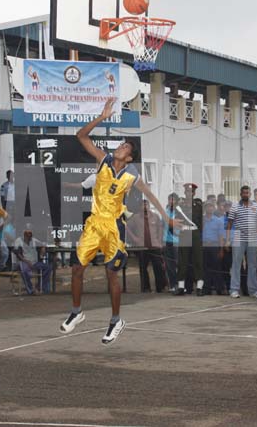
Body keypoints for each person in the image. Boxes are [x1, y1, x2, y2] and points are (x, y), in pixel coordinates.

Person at [59, 98, 178, 345]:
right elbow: (81, 136)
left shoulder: (131, 176)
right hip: (94, 223)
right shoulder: (102, 160)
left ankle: (115, 321)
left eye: (125, 146)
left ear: (129, 157)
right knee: (77, 268)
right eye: (121, 144)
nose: (121, 146)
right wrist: (102, 117)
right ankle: (77, 311)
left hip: (113, 227)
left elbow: (151, 196)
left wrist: (167, 218)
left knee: (111, 273)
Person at [226, 185, 257, 299]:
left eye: (247, 193)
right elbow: (229, 224)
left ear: (250, 194)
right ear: (241, 194)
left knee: (253, 265)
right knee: (236, 264)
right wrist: (227, 240)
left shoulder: (256, 206)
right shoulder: (235, 206)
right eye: (244, 193)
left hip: (252, 237)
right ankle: (234, 289)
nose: (246, 194)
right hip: (238, 237)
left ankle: (253, 290)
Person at [126, 199, 166, 293]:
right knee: (143, 268)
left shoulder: (155, 217)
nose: (145, 207)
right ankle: (146, 288)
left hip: (155, 246)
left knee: (158, 267)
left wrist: (160, 241)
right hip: (142, 247)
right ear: (140, 207)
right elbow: (126, 227)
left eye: (146, 205)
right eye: (143, 205)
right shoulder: (135, 218)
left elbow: (160, 229)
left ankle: (160, 287)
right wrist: (134, 238)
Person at [175, 183, 204, 296]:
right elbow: (177, 221)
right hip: (184, 233)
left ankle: (199, 287)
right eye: (187, 191)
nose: (189, 193)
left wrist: (198, 234)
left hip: (195, 233)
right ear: (185, 192)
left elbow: (201, 222)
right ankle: (181, 287)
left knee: (198, 260)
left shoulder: (198, 206)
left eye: (191, 192)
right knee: (183, 260)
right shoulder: (180, 206)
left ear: (194, 193)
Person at [13, 228, 51, 295]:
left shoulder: (34, 240)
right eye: (28, 234)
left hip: (34, 263)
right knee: (24, 270)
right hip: (23, 262)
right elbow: (18, 254)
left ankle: (39, 287)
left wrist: (43, 247)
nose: (29, 236)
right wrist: (27, 261)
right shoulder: (18, 241)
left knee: (48, 267)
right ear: (24, 235)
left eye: (30, 234)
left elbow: (43, 244)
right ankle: (30, 290)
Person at [202, 200, 227, 295]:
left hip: (214, 246)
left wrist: (221, 250)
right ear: (205, 208)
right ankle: (206, 288)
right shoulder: (202, 220)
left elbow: (221, 236)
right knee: (205, 269)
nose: (210, 208)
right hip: (204, 246)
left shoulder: (218, 221)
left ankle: (219, 289)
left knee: (217, 268)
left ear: (214, 208)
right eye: (208, 206)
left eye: (211, 206)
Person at [163, 193, 180, 292]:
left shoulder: (179, 212)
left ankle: (180, 284)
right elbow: (161, 227)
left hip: (177, 241)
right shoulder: (165, 212)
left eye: (173, 200)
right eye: (170, 200)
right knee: (169, 265)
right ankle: (173, 285)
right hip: (166, 241)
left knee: (178, 264)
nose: (171, 202)